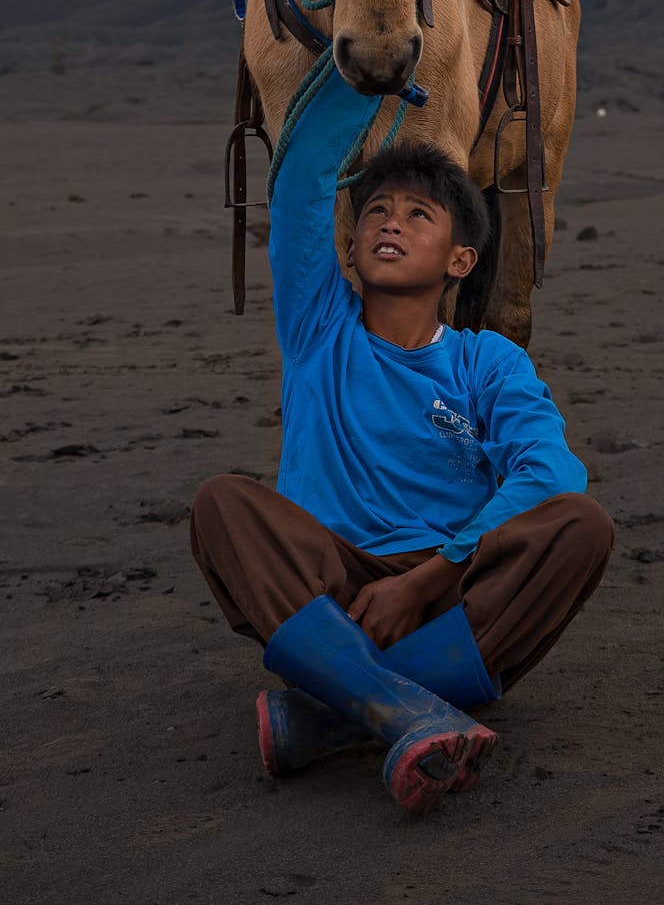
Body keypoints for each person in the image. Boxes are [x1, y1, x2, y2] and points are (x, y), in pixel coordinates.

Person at [191, 62, 614, 814]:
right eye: (377, 211)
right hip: (329, 589)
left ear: (460, 260)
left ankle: (331, 711)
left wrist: (429, 578)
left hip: (445, 588)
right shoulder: (319, 328)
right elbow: (300, 182)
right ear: (350, 249)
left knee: (581, 524)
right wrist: (367, 60)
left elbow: (548, 469)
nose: (389, 220)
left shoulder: (487, 361)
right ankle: (406, 709)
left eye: (419, 213)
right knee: (223, 504)